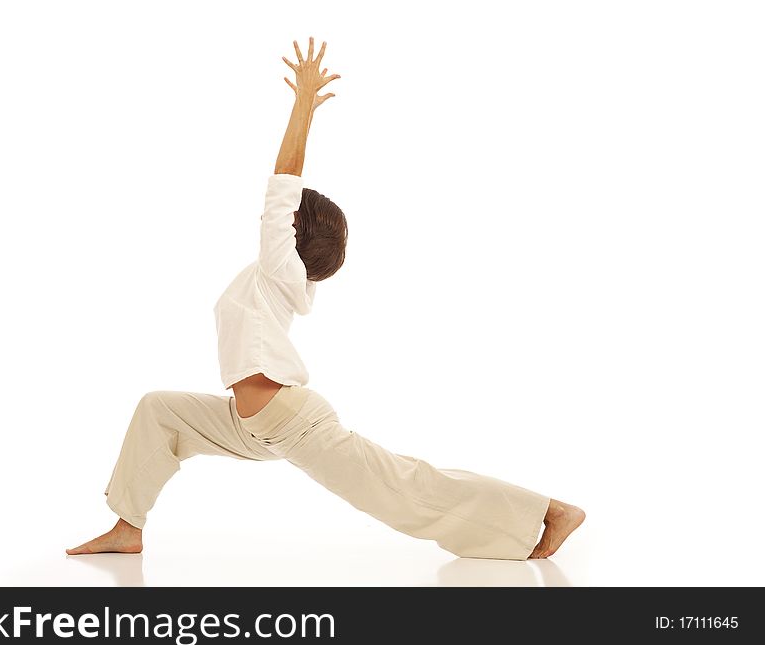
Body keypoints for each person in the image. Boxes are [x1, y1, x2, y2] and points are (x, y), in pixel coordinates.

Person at [67, 37, 584, 561]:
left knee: (404, 486)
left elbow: (283, 184)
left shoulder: (279, 267)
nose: (266, 225)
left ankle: (548, 510)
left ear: (287, 234)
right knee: (159, 410)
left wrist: (302, 106)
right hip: (250, 427)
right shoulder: (273, 278)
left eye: (278, 224)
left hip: (292, 421)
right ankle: (127, 527)